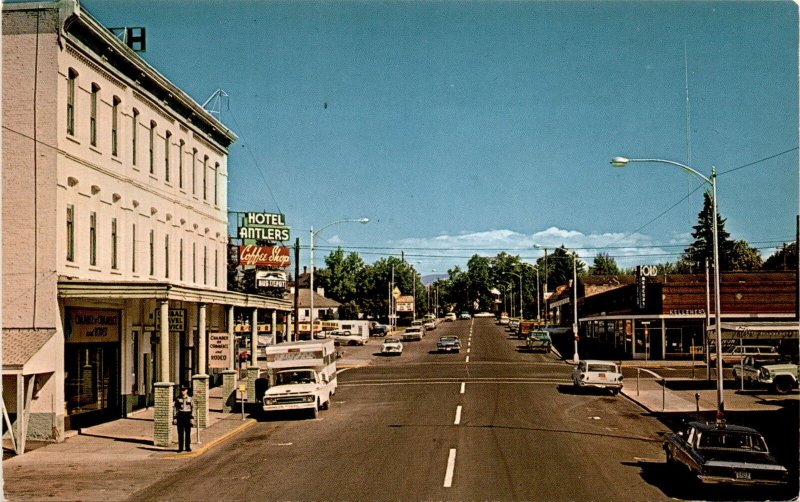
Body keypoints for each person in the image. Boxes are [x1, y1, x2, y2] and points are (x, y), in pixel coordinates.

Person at [173, 384, 194, 453]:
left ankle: (187, 447)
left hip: (187, 415)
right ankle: (180, 448)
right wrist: (175, 418)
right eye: (182, 390)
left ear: (187, 391)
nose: (183, 392)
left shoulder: (190, 399)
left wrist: (192, 418)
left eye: (184, 390)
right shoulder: (178, 399)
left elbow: (193, 408)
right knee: (180, 433)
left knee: (188, 433)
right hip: (180, 416)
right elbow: (175, 409)